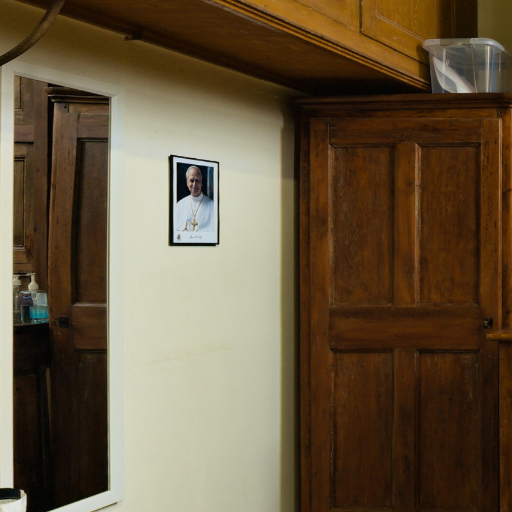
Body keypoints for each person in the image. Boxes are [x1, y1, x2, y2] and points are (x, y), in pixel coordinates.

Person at [174, 165, 215, 232]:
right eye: (191, 180)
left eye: (197, 181)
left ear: (201, 183)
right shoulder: (179, 205)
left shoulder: (212, 206)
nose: (194, 184)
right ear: (187, 183)